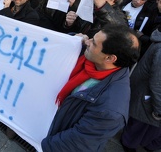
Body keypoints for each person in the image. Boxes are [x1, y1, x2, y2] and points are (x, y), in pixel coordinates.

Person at [42, 24, 140, 152]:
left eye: (93, 43)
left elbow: (73, 144)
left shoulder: (110, 111)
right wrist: (73, 39)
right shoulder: (92, 59)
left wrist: (40, 142)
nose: (87, 42)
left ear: (110, 58)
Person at [121, 26, 161, 152]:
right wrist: (159, 108)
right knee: (136, 131)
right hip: (148, 98)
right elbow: (157, 83)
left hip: (148, 97)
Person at [64, 0, 129, 37]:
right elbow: (78, 29)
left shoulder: (118, 16)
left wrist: (102, 5)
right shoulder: (91, 7)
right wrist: (70, 23)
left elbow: (121, 32)